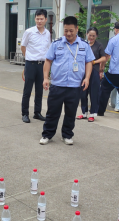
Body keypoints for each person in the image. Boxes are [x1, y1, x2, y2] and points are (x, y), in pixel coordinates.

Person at [40, 16, 95, 145]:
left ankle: (67, 135)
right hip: (57, 85)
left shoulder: (84, 45)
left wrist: (87, 78)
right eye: (66, 30)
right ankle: (47, 134)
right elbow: (48, 61)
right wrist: (45, 78)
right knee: (52, 112)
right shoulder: (56, 44)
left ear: (77, 29)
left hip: (75, 86)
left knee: (71, 113)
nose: (68, 33)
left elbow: (89, 62)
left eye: (71, 30)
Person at [21, 9, 51, 123]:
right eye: (37, 19)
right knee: (27, 90)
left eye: (41, 19)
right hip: (31, 64)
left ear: (46, 19)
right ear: (35, 19)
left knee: (39, 90)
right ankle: (25, 113)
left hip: (42, 65)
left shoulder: (47, 33)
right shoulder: (29, 32)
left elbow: (48, 49)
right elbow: (23, 46)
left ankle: (37, 113)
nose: (39, 21)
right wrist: (28, 57)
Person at [76, 27, 106, 122]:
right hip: (83, 71)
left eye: (93, 36)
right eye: (90, 35)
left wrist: (93, 62)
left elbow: (104, 58)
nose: (91, 37)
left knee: (94, 93)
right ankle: (84, 112)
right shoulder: (83, 44)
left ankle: (92, 114)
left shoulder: (99, 45)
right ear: (86, 34)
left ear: (96, 36)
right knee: (83, 92)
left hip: (94, 71)